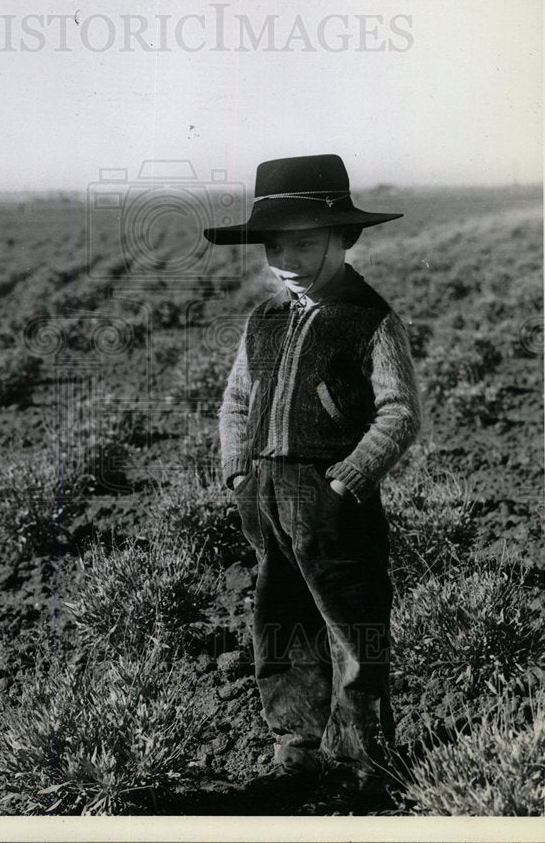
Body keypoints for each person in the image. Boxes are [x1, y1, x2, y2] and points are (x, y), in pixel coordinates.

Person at [203, 154, 421, 801]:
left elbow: (399, 412)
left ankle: (358, 760)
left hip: (331, 498)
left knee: (351, 626)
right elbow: (236, 401)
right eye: (275, 243)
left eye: (305, 241)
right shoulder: (263, 320)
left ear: (344, 238)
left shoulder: (370, 320)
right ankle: (294, 746)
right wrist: (238, 471)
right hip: (264, 495)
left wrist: (347, 478)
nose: (288, 256)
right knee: (281, 619)